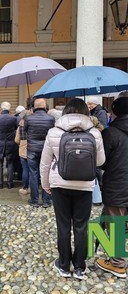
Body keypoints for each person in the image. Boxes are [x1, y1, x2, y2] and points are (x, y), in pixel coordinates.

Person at [40, 98, 105, 280]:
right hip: (84, 185)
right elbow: (100, 161)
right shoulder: (95, 133)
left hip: (59, 184)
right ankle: (79, 267)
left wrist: (45, 184)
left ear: (65, 112)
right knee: (81, 226)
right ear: (86, 111)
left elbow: (45, 163)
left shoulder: (54, 131)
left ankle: (63, 264)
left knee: (63, 225)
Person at [95, 95, 128, 278]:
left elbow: (102, 162)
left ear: (114, 112)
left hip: (117, 185)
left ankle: (118, 264)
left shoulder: (111, 133)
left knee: (116, 224)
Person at [24, 98, 55, 208]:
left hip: (32, 148)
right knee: (46, 173)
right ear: (45, 106)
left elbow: (25, 130)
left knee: (33, 173)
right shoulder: (51, 119)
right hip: (46, 149)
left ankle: (34, 200)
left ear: (34, 107)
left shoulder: (28, 118)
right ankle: (46, 201)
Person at [0, 101, 18, 189]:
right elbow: (16, 128)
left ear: (1, 108)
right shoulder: (13, 118)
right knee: (10, 162)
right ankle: (10, 183)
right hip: (10, 143)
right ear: (9, 108)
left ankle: (0, 183)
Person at [15, 109, 30, 195]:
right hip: (34, 147)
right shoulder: (33, 124)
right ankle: (34, 187)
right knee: (34, 170)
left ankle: (25, 188)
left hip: (23, 149)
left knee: (25, 169)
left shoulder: (20, 126)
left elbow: (17, 140)